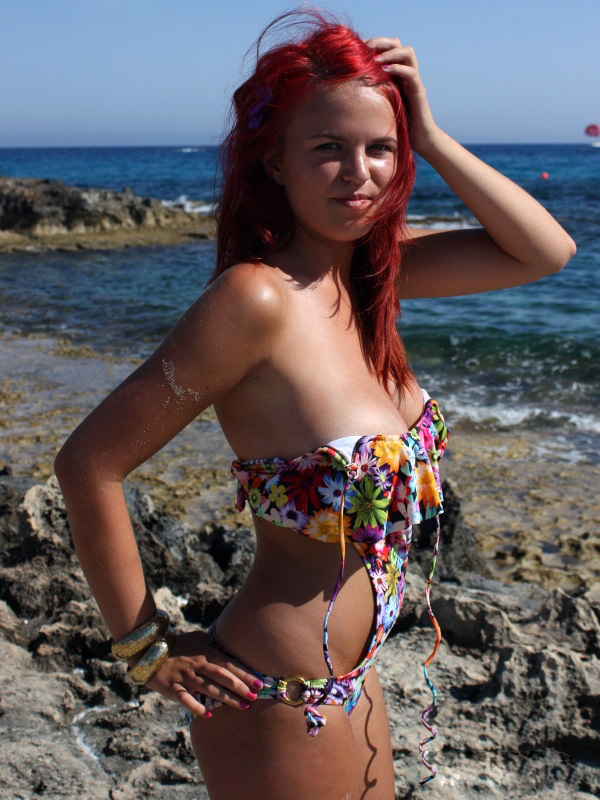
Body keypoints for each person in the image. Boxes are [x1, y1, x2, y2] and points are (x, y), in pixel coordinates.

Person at [54, 10, 575, 800]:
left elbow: (546, 251)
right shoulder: (256, 300)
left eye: (380, 149)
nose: (358, 173)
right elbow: (89, 464)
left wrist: (431, 136)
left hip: (354, 681)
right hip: (275, 690)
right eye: (328, 147)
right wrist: (145, 648)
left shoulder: (372, 283)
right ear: (274, 160)